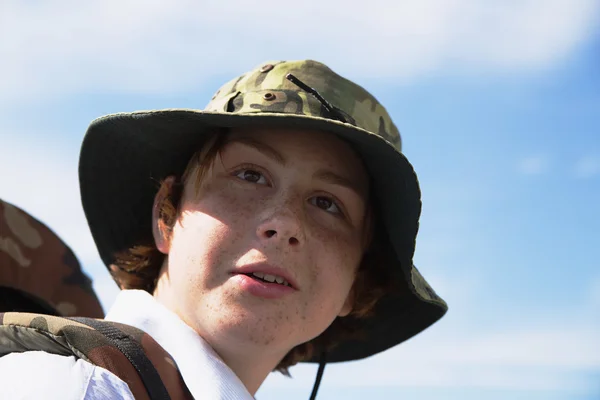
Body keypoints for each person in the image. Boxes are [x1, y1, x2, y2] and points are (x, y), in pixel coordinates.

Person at [0, 60, 447, 399]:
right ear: (167, 216)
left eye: (327, 204)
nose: (285, 223)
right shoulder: (71, 387)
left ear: (357, 283)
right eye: (250, 175)